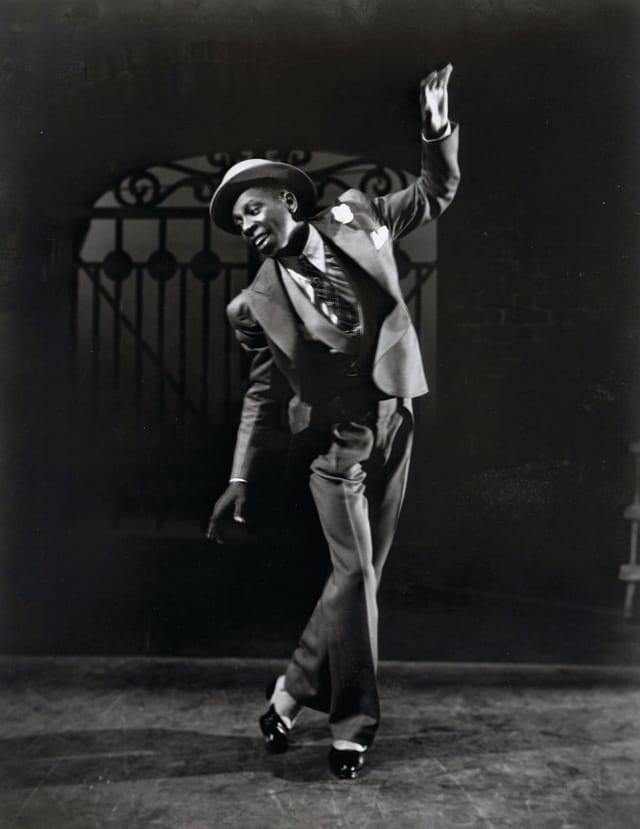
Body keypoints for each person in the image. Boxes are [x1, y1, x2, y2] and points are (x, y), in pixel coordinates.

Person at [206, 65, 460, 779]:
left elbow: (437, 191)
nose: (247, 227)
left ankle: (289, 689)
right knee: (355, 573)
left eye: (254, 211)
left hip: (397, 417)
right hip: (335, 445)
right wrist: (237, 475)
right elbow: (261, 393)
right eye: (237, 223)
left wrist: (436, 128)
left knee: (361, 578)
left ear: (288, 200)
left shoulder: (360, 215)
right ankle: (353, 725)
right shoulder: (252, 304)